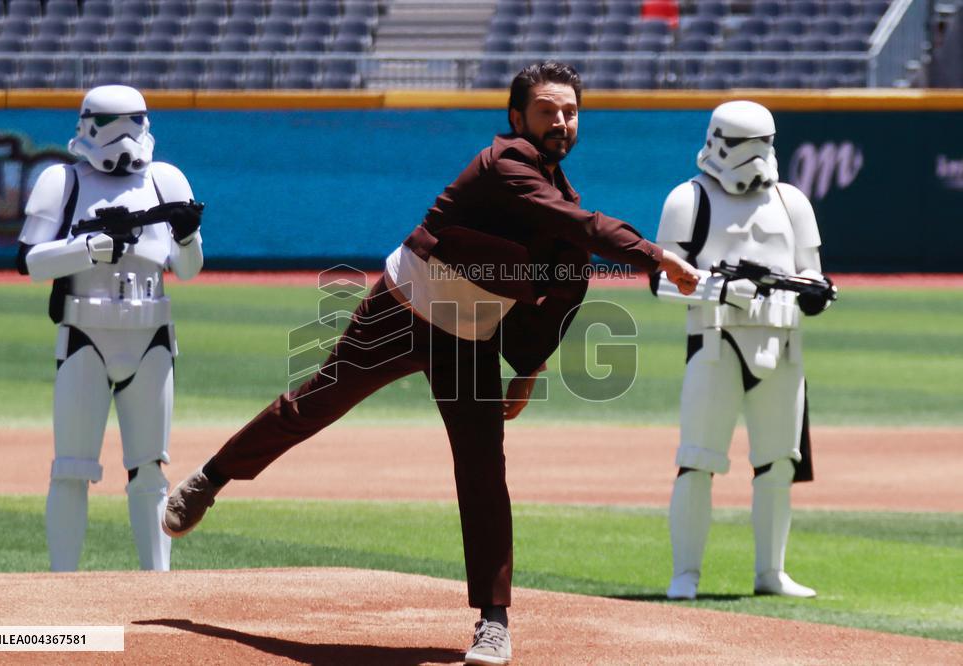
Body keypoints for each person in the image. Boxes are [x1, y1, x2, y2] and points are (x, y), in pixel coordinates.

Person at [162, 61, 699, 665]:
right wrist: (656, 256)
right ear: (517, 117)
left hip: (471, 340)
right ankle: (211, 478)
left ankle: (493, 622)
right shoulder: (505, 165)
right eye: (548, 110)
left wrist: (526, 372)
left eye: (571, 111)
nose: (562, 121)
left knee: (482, 470)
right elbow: (581, 224)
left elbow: (565, 293)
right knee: (313, 405)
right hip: (401, 307)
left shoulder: (563, 207)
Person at [650, 100, 833, 600]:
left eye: (762, 147)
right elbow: (661, 281)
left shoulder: (792, 201)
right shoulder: (688, 200)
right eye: (742, 147)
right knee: (698, 459)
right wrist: (720, 290)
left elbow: (809, 272)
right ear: (717, 144)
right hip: (715, 341)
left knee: (778, 462)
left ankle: (770, 572)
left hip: (784, 343)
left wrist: (815, 292)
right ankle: (685, 573)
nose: (754, 160)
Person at [16, 85, 204, 572]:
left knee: (149, 472)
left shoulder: (165, 181)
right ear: (87, 126)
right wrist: (91, 249)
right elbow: (29, 261)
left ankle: (155, 586)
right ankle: (62, 587)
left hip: (151, 335)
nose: (123, 136)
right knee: (71, 469)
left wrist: (185, 233)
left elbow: (186, 269)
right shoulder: (63, 181)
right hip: (85, 334)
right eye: (109, 123)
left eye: (133, 122)